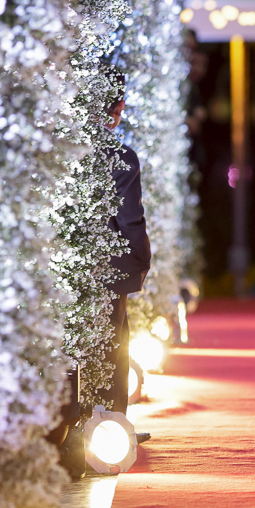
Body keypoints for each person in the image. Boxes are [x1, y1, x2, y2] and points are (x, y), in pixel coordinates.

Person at [104, 71, 151, 413]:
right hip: (108, 267)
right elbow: (130, 218)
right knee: (114, 345)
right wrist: (141, 259)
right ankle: (111, 423)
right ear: (117, 107)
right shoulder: (120, 157)